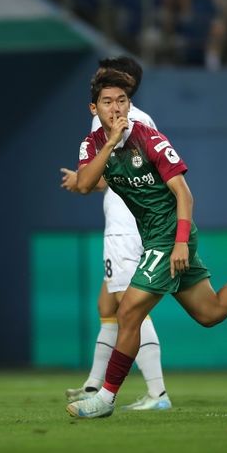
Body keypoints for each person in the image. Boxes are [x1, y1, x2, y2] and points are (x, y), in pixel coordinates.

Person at [67, 68, 227, 419]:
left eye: (122, 101)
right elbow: (83, 185)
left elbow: (184, 195)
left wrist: (179, 244)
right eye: (107, 102)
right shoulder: (93, 144)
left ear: (131, 105)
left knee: (127, 311)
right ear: (93, 109)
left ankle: (105, 398)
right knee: (211, 312)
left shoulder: (151, 140)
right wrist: (111, 142)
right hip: (154, 238)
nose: (116, 109)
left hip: (172, 234)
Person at [60, 56, 171, 411]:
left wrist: (83, 180)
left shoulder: (130, 120)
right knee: (107, 304)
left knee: (130, 307)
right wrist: (86, 178)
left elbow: (131, 174)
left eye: (109, 81)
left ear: (126, 86)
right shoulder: (108, 117)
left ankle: (158, 393)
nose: (100, 81)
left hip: (128, 223)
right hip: (122, 218)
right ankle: (94, 384)